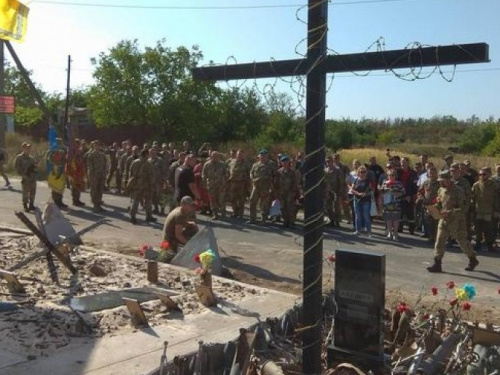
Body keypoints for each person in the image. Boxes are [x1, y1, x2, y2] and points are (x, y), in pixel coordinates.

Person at [426, 171, 479, 273]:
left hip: (457, 220)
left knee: (462, 241)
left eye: (443, 181)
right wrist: (433, 209)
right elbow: (439, 203)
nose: (441, 183)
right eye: (440, 181)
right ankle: (437, 263)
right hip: (444, 219)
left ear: (449, 179)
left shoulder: (458, 191)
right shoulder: (441, 190)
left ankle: (473, 259)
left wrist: (449, 212)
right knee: (439, 241)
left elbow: (463, 208)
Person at [471, 167, 498, 252]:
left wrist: (497, 209)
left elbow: (497, 198)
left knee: (489, 229)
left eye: (484, 174)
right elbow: (473, 198)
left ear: (489, 174)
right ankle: (478, 244)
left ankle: (490, 245)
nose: (482, 176)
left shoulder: (495, 185)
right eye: (480, 174)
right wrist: (472, 209)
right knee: (477, 229)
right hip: (478, 210)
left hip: (489, 211)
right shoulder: (476, 185)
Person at [128, 149, 157, 224]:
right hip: (146, 185)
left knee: (136, 201)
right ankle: (148, 216)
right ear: (146, 155)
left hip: (136, 185)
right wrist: (152, 185)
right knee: (148, 201)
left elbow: (130, 173)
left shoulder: (135, 162)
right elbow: (151, 175)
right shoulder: (148, 163)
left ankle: (132, 216)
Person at [248, 149, 275, 224]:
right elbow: (251, 173)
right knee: (252, 201)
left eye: (264, 156)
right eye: (261, 156)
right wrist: (252, 178)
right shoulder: (255, 164)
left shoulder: (270, 164)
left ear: (267, 156)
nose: (262, 157)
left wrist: (271, 186)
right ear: (259, 156)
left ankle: (263, 219)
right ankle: (252, 218)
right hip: (256, 186)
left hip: (265, 187)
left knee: (263, 204)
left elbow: (274, 175)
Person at [274, 154, 300, 228]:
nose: (285, 163)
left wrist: (293, 192)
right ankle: (286, 221)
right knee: (283, 207)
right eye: (283, 161)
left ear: (288, 162)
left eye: (286, 161)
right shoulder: (279, 172)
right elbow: (276, 183)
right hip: (281, 192)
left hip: (290, 192)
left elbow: (295, 183)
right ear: (281, 163)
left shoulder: (292, 172)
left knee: (290, 208)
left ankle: (292, 222)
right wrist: (276, 192)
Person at [202, 151, 228, 219]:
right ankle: (215, 214)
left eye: (216, 156)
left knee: (222, 200)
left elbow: (226, 174)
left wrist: (225, 183)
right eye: (213, 156)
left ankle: (223, 214)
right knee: (213, 200)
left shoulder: (222, 164)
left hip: (221, 185)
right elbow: (204, 175)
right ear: (210, 157)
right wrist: (204, 184)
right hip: (211, 186)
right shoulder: (207, 164)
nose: (215, 157)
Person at [380, 169, 405, 240]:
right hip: (387, 205)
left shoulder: (399, 183)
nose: (391, 176)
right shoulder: (385, 183)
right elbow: (382, 193)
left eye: (393, 175)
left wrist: (398, 194)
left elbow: (403, 192)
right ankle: (389, 233)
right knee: (388, 219)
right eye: (389, 175)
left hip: (396, 205)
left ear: (395, 176)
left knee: (396, 220)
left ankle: (395, 234)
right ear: (387, 176)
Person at [350, 165, 373, 236]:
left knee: (366, 216)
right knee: (358, 216)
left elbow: (372, 191)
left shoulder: (368, 181)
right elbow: (351, 190)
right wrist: (358, 193)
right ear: (358, 172)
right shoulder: (356, 180)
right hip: (357, 200)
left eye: (364, 172)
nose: (362, 173)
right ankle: (358, 230)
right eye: (361, 172)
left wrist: (365, 194)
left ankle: (369, 231)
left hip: (366, 200)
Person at [14, 142, 37, 212]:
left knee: (33, 191)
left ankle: (31, 205)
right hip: (25, 177)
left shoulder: (31, 158)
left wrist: (35, 166)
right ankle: (25, 205)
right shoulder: (19, 157)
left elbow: (34, 167)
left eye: (29, 148)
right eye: (27, 148)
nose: (28, 149)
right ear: (23, 148)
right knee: (25, 192)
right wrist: (22, 175)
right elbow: (16, 167)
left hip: (32, 177)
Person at [227, 149, 250, 218]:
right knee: (232, 199)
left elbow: (250, 174)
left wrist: (248, 184)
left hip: (242, 184)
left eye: (240, 155)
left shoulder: (246, 163)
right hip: (232, 183)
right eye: (238, 154)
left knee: (241, 200)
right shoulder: (231, 162)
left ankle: (240, 214)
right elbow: (227, 170)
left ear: (243, 155)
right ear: (236, 155)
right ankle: (235, 212)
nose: (239, 156)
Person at [86, 140, 108, 212]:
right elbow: (89, 166)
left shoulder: (102, 155)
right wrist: (92, 175)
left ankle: (98, 203)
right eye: (96, 145)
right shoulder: (91, 155)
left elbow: (105, 164)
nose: (97, 146)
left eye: (98, 145)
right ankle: (95, 205)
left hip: (101, 174)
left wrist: (105, 172)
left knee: (100, 190)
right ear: (93, 146)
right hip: (94, 175)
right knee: (94, 189)